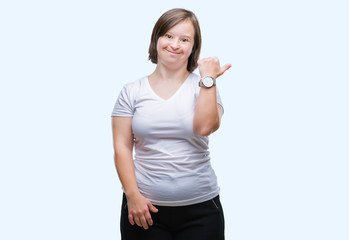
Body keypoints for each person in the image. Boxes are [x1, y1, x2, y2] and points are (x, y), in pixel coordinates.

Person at [111, 8, 231, 240]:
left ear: (193, 48)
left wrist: (209, 80)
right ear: (156, 39)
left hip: (202, 210)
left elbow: (204, 128)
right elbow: (122, 148)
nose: (175, 44)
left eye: (184, 39)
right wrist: (132, 195)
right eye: (168, 35)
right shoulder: (131, 91)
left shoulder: (206, 86)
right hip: (144, 209)